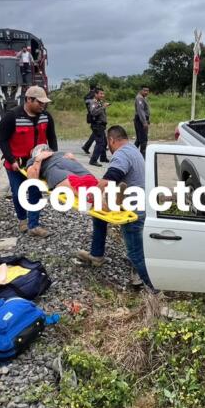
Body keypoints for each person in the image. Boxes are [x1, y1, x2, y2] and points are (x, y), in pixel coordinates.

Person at [75, 125, 153, 291]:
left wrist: (90, 196)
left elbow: (111, 177)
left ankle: (153, 289)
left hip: (133, 212)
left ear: (111, 140)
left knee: (135, 253)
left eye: (108, 143)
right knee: (99, 215)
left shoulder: (121, 154)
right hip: (141, 203)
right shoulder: (134, 150)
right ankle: (96, 255)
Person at [0, 86, 57, 238]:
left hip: (37, 164)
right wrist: (11, 160)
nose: (43, 106)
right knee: (18, 193)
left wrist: (53, 155)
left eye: (44, 103)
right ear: (29, 99)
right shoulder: (12, 117)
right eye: (39, 102)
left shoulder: (46, 116)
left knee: (35, 192)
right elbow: (2, 141)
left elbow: (52, 138)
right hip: (16, 164)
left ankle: (33, 225)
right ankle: (22, 219)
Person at [88, 88, 109, 166]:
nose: (102, 95)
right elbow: (93, 112)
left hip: (101, 125)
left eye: (103, 94)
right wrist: (103, 107)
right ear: (96, 94)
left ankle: (103, 157)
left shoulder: (99, 102)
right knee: (100, 143)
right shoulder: (93, 102)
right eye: (101, 94)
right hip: (97, 125)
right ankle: (93, 160)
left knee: (104, 142)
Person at [81, 85, 99, 155]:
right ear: (94, 89)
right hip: (95, 115)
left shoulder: (86, 96)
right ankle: (87, 146)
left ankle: (87, 146)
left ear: (89, 88)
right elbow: (96, 106)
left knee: (96, 132)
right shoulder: (94, 96)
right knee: (96, 132)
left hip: (90, 115)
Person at [134, 86, 151, 156]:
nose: (146, 92)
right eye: (144, 90)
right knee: (143, 140)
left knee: (139, 139)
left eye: (147, 91)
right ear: (141, 90)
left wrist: (147, 120)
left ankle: (131, 154)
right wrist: (144, 122)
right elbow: (140, 111)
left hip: (141, 119)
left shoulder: (143, 98)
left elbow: (145, 110)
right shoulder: (139, 98)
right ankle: (142, 157)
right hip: (140, 120)